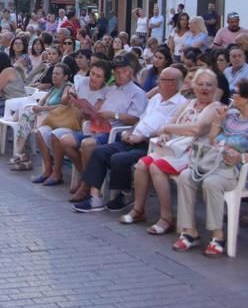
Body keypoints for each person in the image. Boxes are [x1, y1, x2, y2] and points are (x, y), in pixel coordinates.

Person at [173, 79, 248, 257]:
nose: (232, 96)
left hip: (241, 171)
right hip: (215, 163)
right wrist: (217, 123)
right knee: (185, 176)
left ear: (246, 98)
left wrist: (241, 157)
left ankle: (217, 235)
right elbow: (214, 141)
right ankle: (189, 231)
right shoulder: (231, 115)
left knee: (211, 183)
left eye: (236, 93)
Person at [119, 68, 221, 234]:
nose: (204, 88)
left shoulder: (214, 107)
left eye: (209, 85)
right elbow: (170, 124)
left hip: (195, 153)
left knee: (156, 166)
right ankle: (139, 210)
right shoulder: (189, 103)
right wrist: (166, 132)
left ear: (215, 88)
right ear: (194, 86)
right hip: (176, 148)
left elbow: (197, 129)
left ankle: (166, 217)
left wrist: (168, 128)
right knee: (142, 164)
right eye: (200, 84)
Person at [73, 66, 185, 213]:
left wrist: (142, 137)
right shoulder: (156, 99)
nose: (157, 81)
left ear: (172, 83)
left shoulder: (181, 104)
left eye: (161, 79)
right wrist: (131, 132)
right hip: (133, 137)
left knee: (119, 158)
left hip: (151, 145)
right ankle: (95, 197)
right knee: (99, 151)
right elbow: (142, 120)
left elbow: (168, 131)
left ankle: (125, 194)